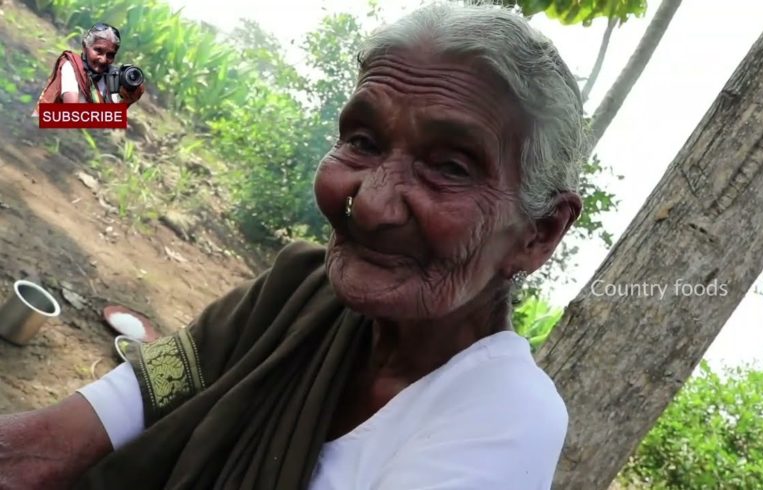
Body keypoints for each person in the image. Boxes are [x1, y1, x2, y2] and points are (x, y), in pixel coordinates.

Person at [0, 3, 587, 489]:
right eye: (362, 140)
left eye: (451, 167)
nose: (373, 203)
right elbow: (63, 438)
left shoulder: (504, 418)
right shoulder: (291, 296)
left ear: (540, 232)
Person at [31, 22, 144, 116]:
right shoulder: (71, 66)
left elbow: (107, 120)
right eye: (98, 51)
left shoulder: (107, 78)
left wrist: (127, 101)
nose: (103, 59)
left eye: (110, 55)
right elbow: (73, 113)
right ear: (85, 47)